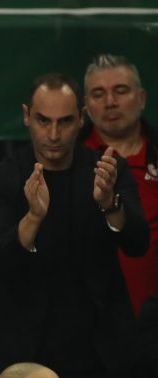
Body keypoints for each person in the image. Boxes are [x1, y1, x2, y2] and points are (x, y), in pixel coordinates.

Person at [0, 73, 148, 378]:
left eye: (65, 121)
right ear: (27, 116)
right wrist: (33, 217)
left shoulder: (108, 170)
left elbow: (137, 243)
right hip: (19, 357)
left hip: (99, 359)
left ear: (81, 118)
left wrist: (110, 204)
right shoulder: (2, 177)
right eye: (43, 121)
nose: (53, 135)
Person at [82, 54, 158, 316]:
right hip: (90, 321)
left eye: (121, 91)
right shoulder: (67, 160)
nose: (110, 102)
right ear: (86, 106)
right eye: (98, 94)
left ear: (142, 98)